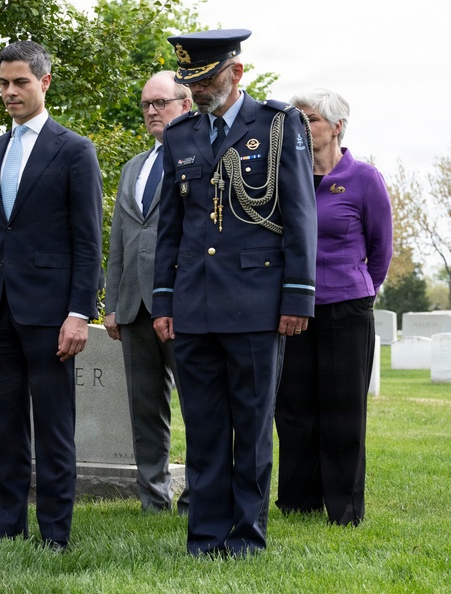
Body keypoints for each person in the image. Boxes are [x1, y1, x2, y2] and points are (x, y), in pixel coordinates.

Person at [151, 29, 317, 557]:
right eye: (191, 81)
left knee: (251, 427)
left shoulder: (276, 124)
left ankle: (246, 535)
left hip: (255, 304)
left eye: (206, 79)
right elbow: (171, 230)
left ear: (236, 72)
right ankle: (204, 534)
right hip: (194, 307)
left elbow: (299, 214)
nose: (198, 90)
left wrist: (297, 297)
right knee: (202, 431)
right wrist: (163, 301)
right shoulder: (180, 136)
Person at [0, 40, 103, 551]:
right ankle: (8, 530)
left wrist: (80, 313)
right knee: (7, 430)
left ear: (44, 83)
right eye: (3, 83)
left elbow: (89, 242)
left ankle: (56, 535)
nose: (10, 91)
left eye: (20, 82)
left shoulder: (75, 150)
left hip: (51, 315)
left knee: (54, 430)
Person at [274, 89, 393, 527]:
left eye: (312, 119)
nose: (304, 127)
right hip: (294, 310)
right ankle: (297, 501)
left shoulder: (364, 178)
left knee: (343, 411)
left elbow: (381, 248)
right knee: (293, 410)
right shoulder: (289, 177)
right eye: (298, 119)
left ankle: (344, 509)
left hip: (347, 309)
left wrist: (360, 288)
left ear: (337, 126)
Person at [104, 71, 192, 513]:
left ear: (186, 105)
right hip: (134, 307)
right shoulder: (133, 168)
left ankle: (197, 495)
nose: (153, 111)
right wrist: (111, 306)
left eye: (161, 102)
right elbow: (120, 239)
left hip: (182, 303)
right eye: (146, 105)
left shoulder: (201, 158)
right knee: (144, 409)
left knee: (197, 406)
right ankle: (152, 499)